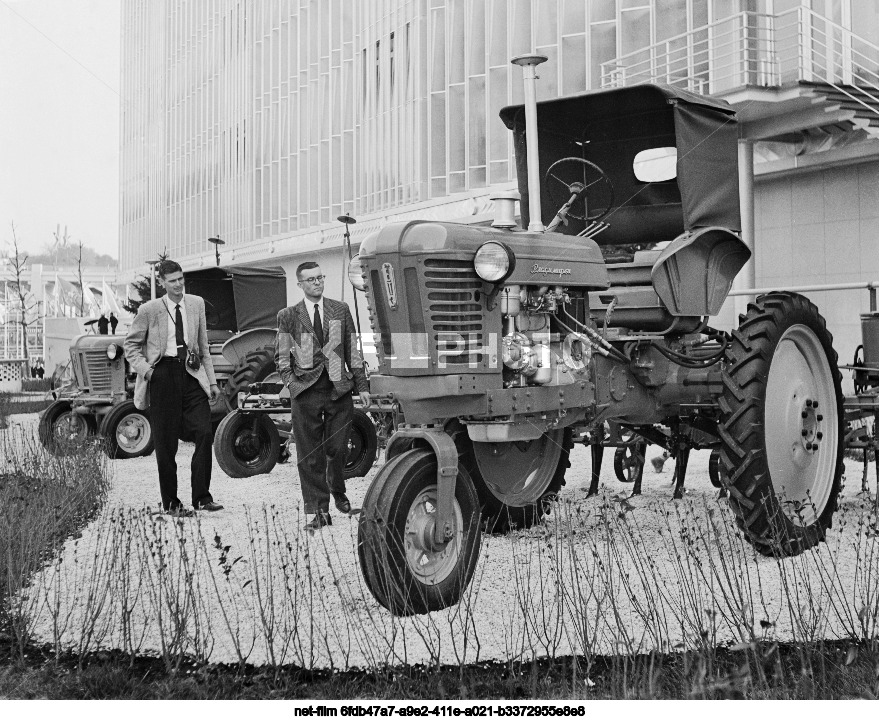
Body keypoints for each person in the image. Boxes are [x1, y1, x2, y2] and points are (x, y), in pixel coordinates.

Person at [123, 259, 223, 516]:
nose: (179, 285)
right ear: (162, 283)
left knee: (203, 432)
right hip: (162, 376)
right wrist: (148, 372)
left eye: (181, 279)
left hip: (192, 374)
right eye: (172, 281)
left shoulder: (196, 304)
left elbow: (203, 347)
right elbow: (131, 346)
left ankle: (201, 497)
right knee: (166, 444)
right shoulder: (149, 309)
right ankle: (171, 503)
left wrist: (211, 382)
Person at [275, 261, 369, 531]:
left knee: (338, 448)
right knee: (309, 454)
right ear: (300, 285)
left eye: (320, 277)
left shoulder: (340, 309)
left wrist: (362, 386)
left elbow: (352, 349)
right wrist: (292, 384)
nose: (317, 283)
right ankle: (319, 511)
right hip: (305, 390)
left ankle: (337, 489)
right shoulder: (289, 316)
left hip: (339, 388)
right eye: (311, 279)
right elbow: (281, 356)